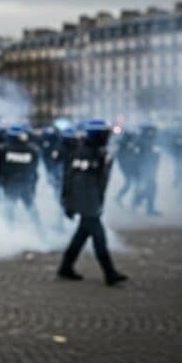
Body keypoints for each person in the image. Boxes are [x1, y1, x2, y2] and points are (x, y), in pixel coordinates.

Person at [57, 119, 128, 286]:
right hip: (87, 203)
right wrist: (68, 202)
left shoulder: (93, 152)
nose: (107, 137)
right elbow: (71, 179)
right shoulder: (88, 153)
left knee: (81, 235)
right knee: (99, 237)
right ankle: (109, 273)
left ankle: (66, 267)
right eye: (105, 134)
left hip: (90, 202)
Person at [0, 124, 41, 231]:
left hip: (10, 186)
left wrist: (2, 182)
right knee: (32, 212)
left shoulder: (2, 149)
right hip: (26, 186)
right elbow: (35, 172)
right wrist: (33, 186)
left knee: (9, 211)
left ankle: (9, 234)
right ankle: (41, 234)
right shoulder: (33, 150)